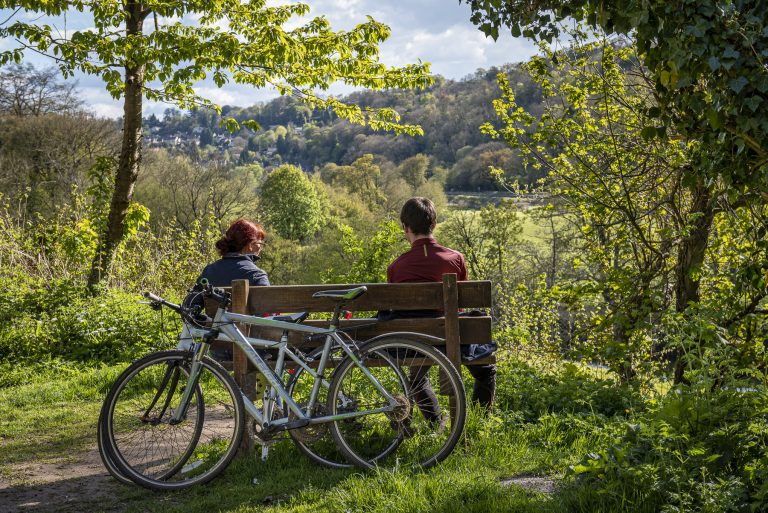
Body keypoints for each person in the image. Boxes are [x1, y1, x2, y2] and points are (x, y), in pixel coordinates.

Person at [382, 197, 497, 410]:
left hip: (414, 343)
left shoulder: (396, 267)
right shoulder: (455, 259)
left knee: (416, 378)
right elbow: (460, 307)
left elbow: (396, 311)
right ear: (433, 224)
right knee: (486, 370)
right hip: (450, 337)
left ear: (405, 227)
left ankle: (437, 424)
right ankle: (479, 421)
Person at [180, 219, 270, 358]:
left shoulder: (210, 271)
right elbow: (267, 316)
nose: (261, 248)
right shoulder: (257, 275)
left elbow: (190, 307)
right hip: (253, 350)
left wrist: (211, 324)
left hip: (219, 350)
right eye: (260, 244)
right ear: (251, 245)